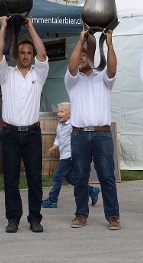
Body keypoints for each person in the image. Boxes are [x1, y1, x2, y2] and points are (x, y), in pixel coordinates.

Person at [0, 15, 49, 233]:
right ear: (17, 55)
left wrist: (31, 27)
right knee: (11, 179)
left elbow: (43, 54)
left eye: (29, 53)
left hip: (33, 134)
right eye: (22, 53)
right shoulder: (6, 74)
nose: (26, 56)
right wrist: (4, 27)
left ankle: (35, 218)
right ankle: (13, 218)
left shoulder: (40, 74)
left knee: (35, 179)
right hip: (10, 135)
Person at [65, 26, 120, 230]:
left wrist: (110, 41)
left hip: (102, 134)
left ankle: (113, 216)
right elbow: (71, 66)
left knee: (107, 176)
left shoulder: (103, 77)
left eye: (84, 55)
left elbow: (113, 69)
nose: (79, 58)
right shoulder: (71, 80)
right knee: (80, 177)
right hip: (79, 135)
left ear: (92, 57)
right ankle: (81, 214)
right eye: (78, 54)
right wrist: (80, 42)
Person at [42, 102, 99, 208]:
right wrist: (54, 147)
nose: (59, 114)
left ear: (70, 114)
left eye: (62, 112)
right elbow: (58, 138)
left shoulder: (72, 125)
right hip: (63, 155)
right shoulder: (60, 126)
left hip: (69, 156)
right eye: (58, 112)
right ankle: (92, 190)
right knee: (71, 179)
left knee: (57, 177)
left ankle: (52, 200)